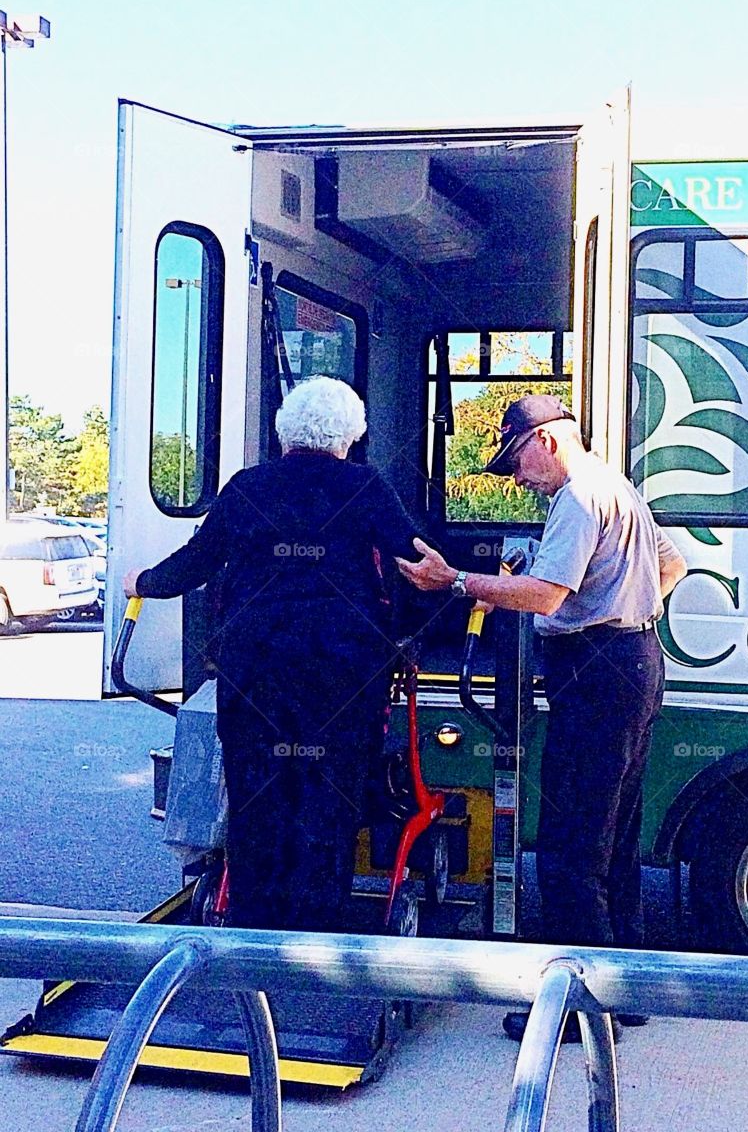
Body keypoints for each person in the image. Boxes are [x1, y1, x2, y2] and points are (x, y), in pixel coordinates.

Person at [397, 394, 687, 1043]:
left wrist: (458, 581)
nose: (519, 478)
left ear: (547, 442)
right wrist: (619, 603)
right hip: (636, 659)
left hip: (597, 669)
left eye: (517, 460)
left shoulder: (579, 498)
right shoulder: (617, 488)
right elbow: (672, 566)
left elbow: (544, 595)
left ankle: (576, 1011)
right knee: (614, 838)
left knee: (567, 849)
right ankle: (623, 992)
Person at [123, 376, 424, 933]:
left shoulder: (247, 488)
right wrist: (416, 629)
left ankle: (254, 930)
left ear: (285, 433)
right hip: (342, 673)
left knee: (257, 796)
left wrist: (143, 581)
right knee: (328, 800)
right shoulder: (366, 487)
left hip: (255, 669)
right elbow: (416, 562)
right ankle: (314, 935)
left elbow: (197, 561)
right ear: (350, 436)